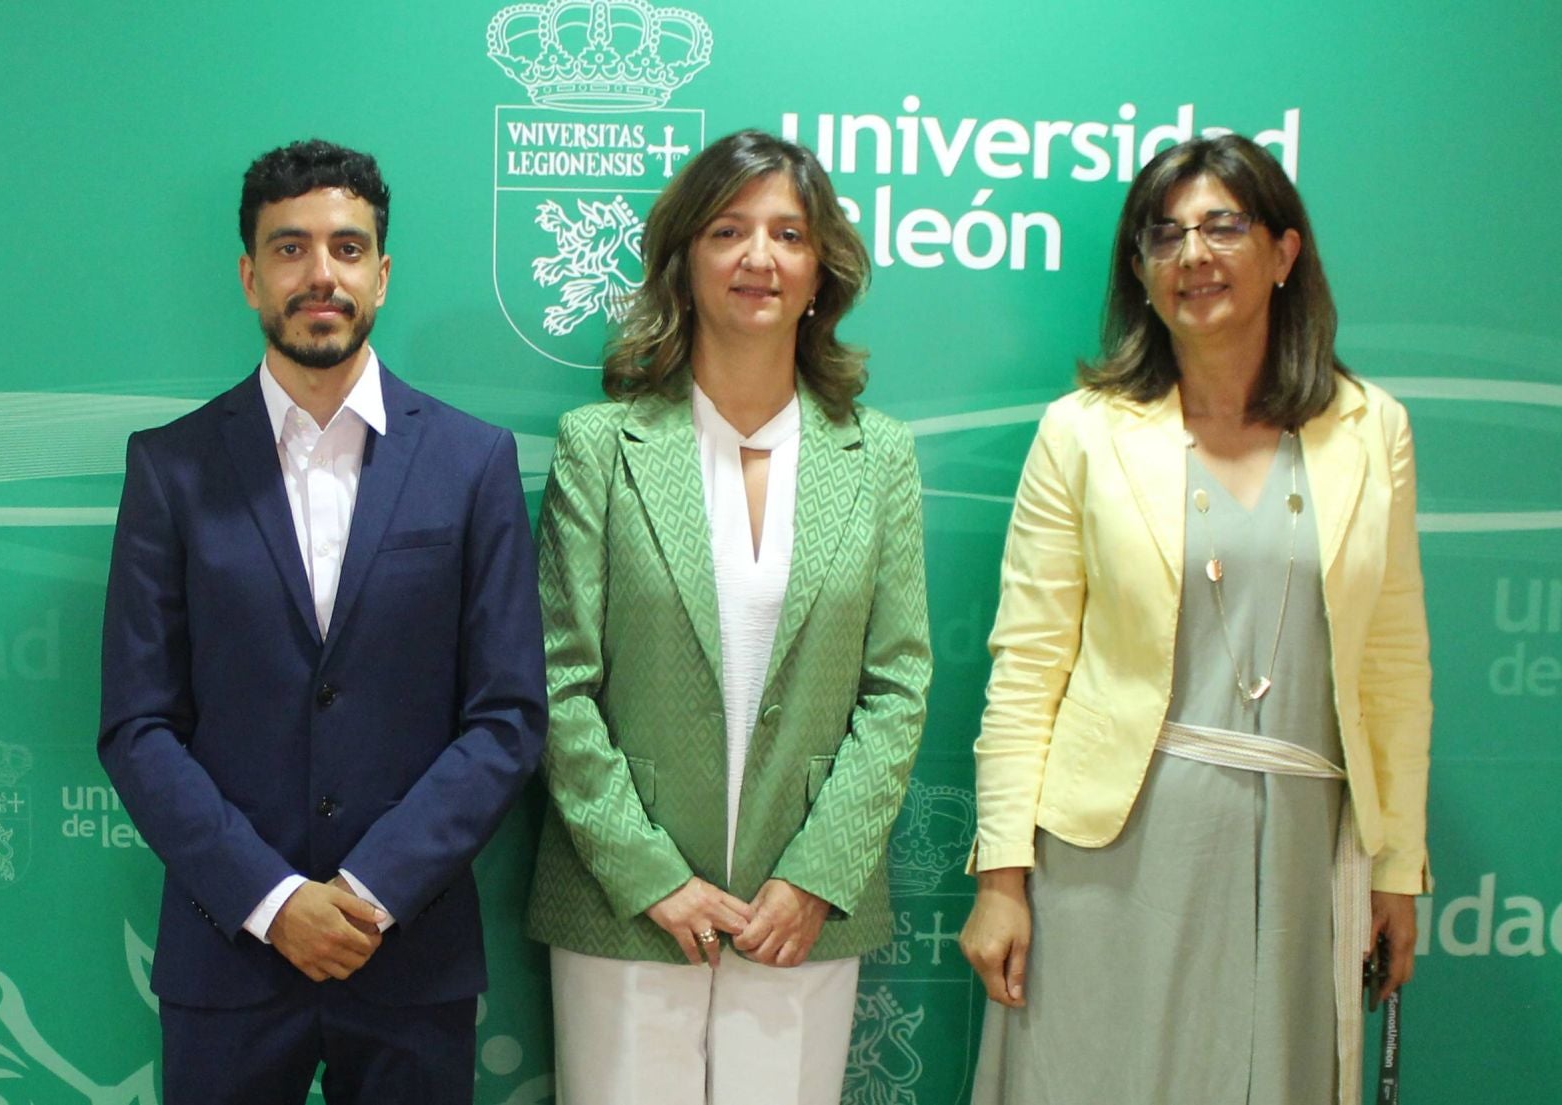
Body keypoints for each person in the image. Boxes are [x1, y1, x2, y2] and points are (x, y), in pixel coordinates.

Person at [961, 134, 1431, 1105]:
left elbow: (1393, 660)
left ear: (1285, 254)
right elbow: (1026, 667)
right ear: (1138, 270)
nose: (1194, 256)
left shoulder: (1368, 427)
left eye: (1224, 226)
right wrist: (1001, 879)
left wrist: (1397, 865)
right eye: (1164, 235)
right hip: (1114, 845)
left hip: (1305, 844)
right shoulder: (1082, 432)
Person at [97, 139, 547, 1105]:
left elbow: (507, 716)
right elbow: (138, 725)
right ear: (250, 274)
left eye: (347, 248)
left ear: (381, 275)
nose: (320, 274)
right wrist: (273, 901)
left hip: (410, 954)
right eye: (291, 248)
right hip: (228, 957)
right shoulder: (170, 469)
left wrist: (370, 890)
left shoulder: (472, 464)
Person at [526, 129, 932, 1105]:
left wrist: (817, 874)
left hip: (802, 911)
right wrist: (649, 873)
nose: (759, 257)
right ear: (685, 260)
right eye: (728, 230)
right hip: (627, 906)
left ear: (819, 270)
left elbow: (899, 683)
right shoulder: (600, 447)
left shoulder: (877, 456)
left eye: (788, 234)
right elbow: (558, 679)